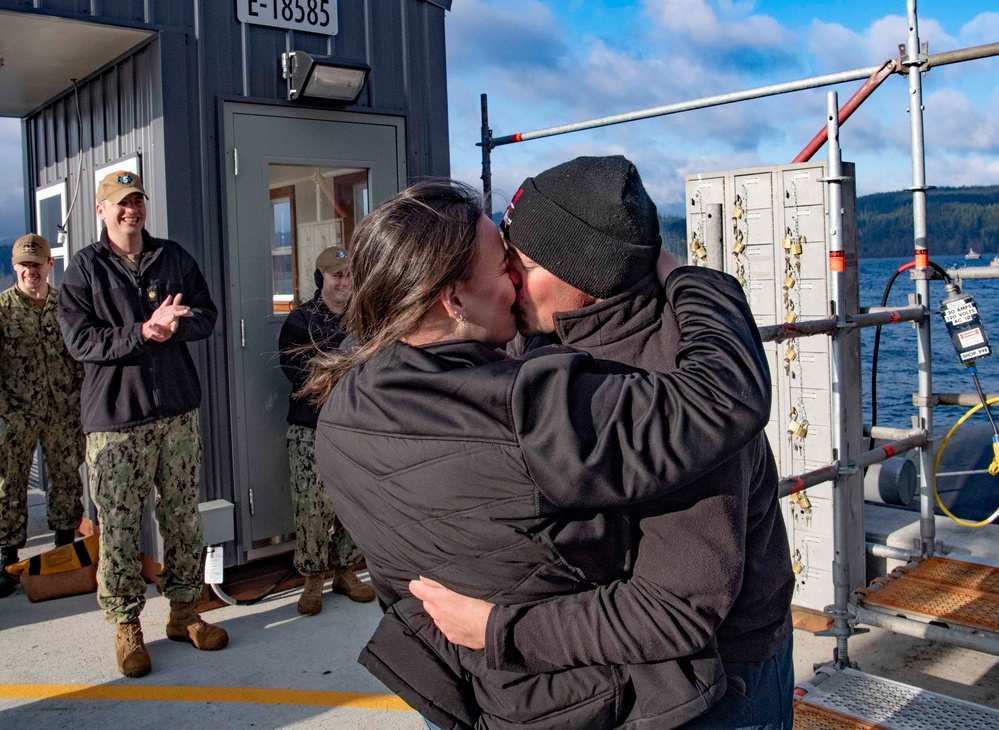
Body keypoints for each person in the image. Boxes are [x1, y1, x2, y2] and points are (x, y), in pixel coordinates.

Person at [306, 178, 774, 729]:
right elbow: (722, 397)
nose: (515, 282)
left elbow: (404, 586)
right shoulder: (527, 406)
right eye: (504, 266)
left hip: (471, 693)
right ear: (453, 299)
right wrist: (691, 280)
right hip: (589, 700)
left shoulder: (340, 413)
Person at [58, 171, 227, 679]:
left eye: (137, 201)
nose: (132, 209)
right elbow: (81, 342)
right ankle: (127, 624)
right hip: (117, 421)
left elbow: (208, 314)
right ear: (101, 210)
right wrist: (141, 332)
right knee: (121, 526)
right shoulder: (83, 271)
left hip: (176, 412)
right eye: (121, 203)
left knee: (182, 516)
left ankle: (183, 612)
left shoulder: (172, 257)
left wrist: (176, 324)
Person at [279, 247, 375, 613]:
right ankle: (313, 579)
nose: (345, 282)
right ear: (322, 279)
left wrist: (339, 373)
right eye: (337, 276)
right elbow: (301, 375)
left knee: (352, 501)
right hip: (310, 429)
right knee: (311, 506)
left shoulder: (364, 319)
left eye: (350, 275)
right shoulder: (300, 322)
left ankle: (346, 571)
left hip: (354, 426)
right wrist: (347, 375)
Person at [0, 233, 85, 598]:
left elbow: (81, 355)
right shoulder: (3, 310)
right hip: (16, 413)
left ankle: (63, 548)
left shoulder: (67, 305)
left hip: (63, 410)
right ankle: (6, 558)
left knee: (66, 478)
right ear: (15, 267)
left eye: (37, 264)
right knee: (9, 485)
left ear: (50, 265)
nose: (30, 271)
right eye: (24, 264)